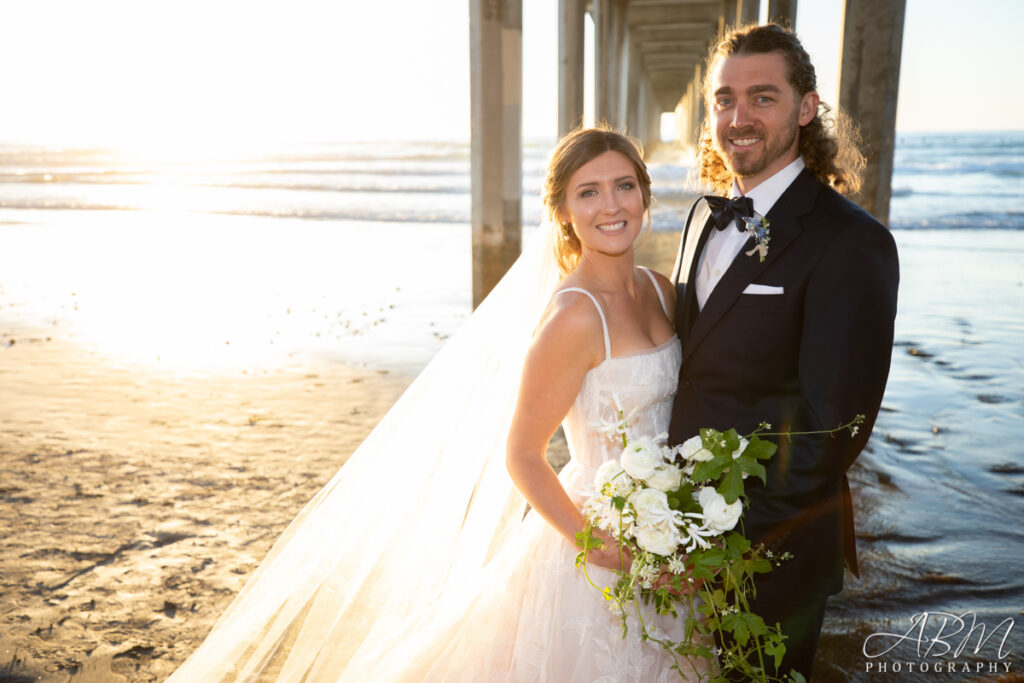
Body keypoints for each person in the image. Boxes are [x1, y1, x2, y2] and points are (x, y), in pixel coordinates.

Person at [167, 126, 707, 681]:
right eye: (588, 192)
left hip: (668, 529)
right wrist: (605, 550)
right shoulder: (573, 316)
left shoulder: (661, 289)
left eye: (623, 185)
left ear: (645, 194)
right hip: (597, 540)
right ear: (564, 211)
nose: (610, 205)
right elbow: (523, 455)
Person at [667, 23, 900, 680]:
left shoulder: (852, 243)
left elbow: (833, 429)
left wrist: (719, 547)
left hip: (770, 557)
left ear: (806, 108)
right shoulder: (700, 219)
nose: (737, 117)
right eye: (722, 99)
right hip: (675, 537)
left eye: (762, 97)